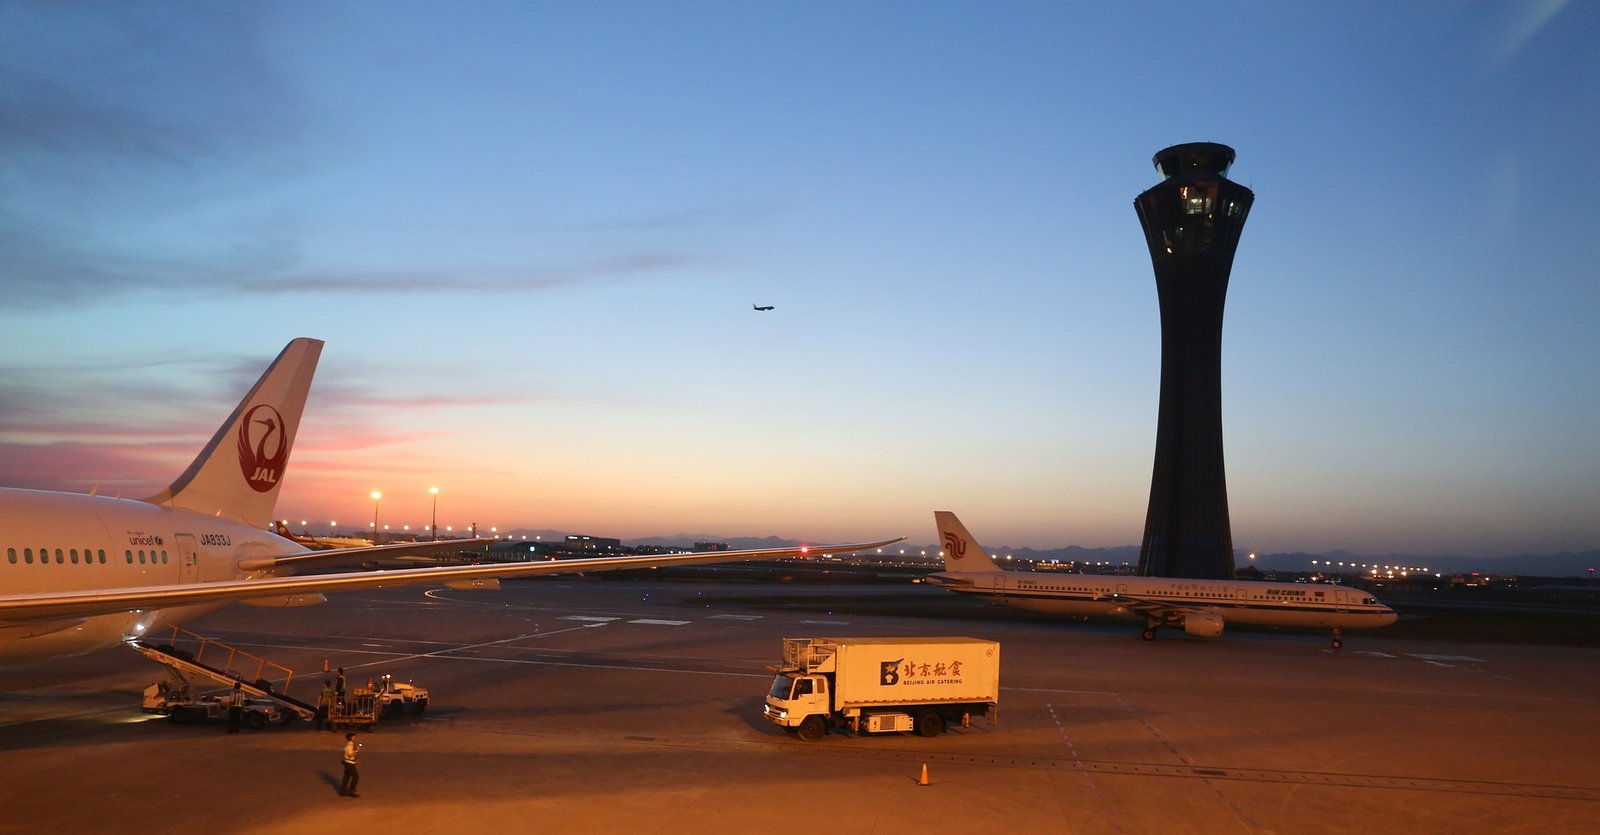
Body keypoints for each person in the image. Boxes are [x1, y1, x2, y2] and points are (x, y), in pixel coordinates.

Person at [340, 732, 361, 797]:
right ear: (351, 737)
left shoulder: (350, 745)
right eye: (354, 736)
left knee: (346, 777)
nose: (355, 738)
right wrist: (356, 750)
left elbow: (345, 753)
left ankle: (342, 792)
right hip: (349, 763)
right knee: (356, 777)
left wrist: (356, 759)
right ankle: (351, 791)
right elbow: (350, 755)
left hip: (348, 763)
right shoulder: (349, 746)